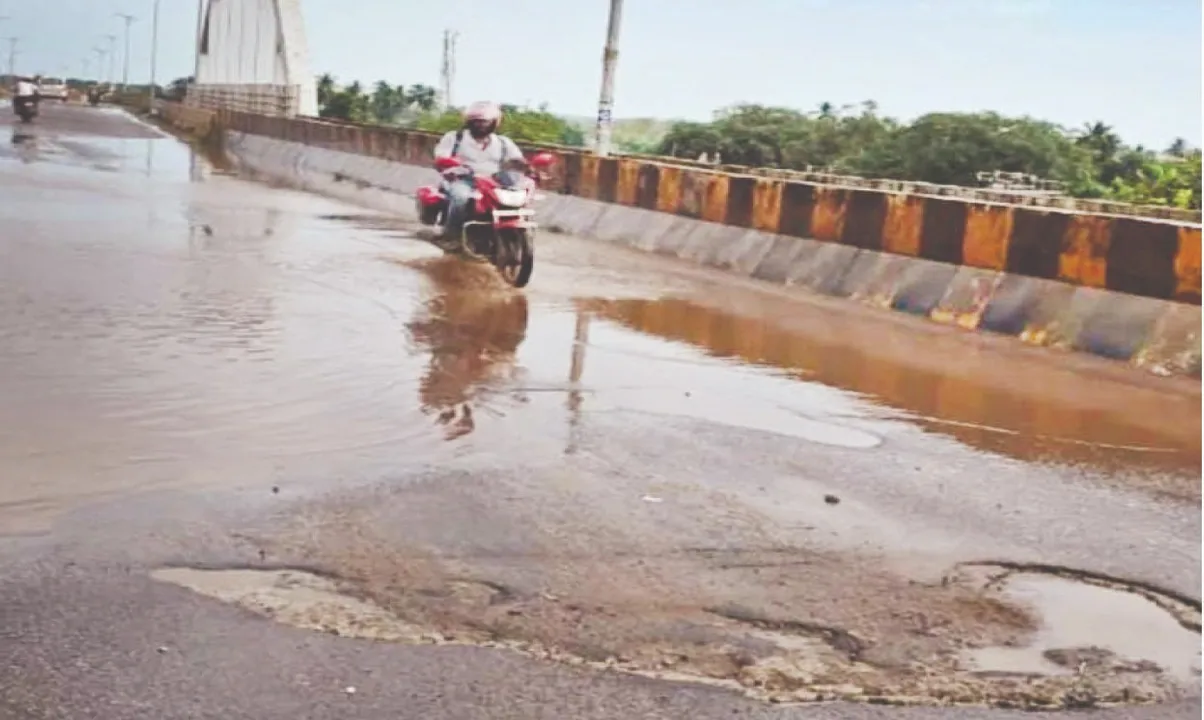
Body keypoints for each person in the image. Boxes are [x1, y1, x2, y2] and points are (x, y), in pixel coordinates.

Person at [432, 101, 524, 242]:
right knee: (460, 198)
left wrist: (531, 168)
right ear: (469, 122)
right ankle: (451, 235)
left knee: (514, 201)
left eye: (485, 122)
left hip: (493, 183)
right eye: (476, 122)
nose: (480, 125)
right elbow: (440, 157)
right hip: (463, 180)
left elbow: (517, 160)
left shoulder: (503, 142)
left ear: (494, 123)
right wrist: (447, 164)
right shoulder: (455, 138)